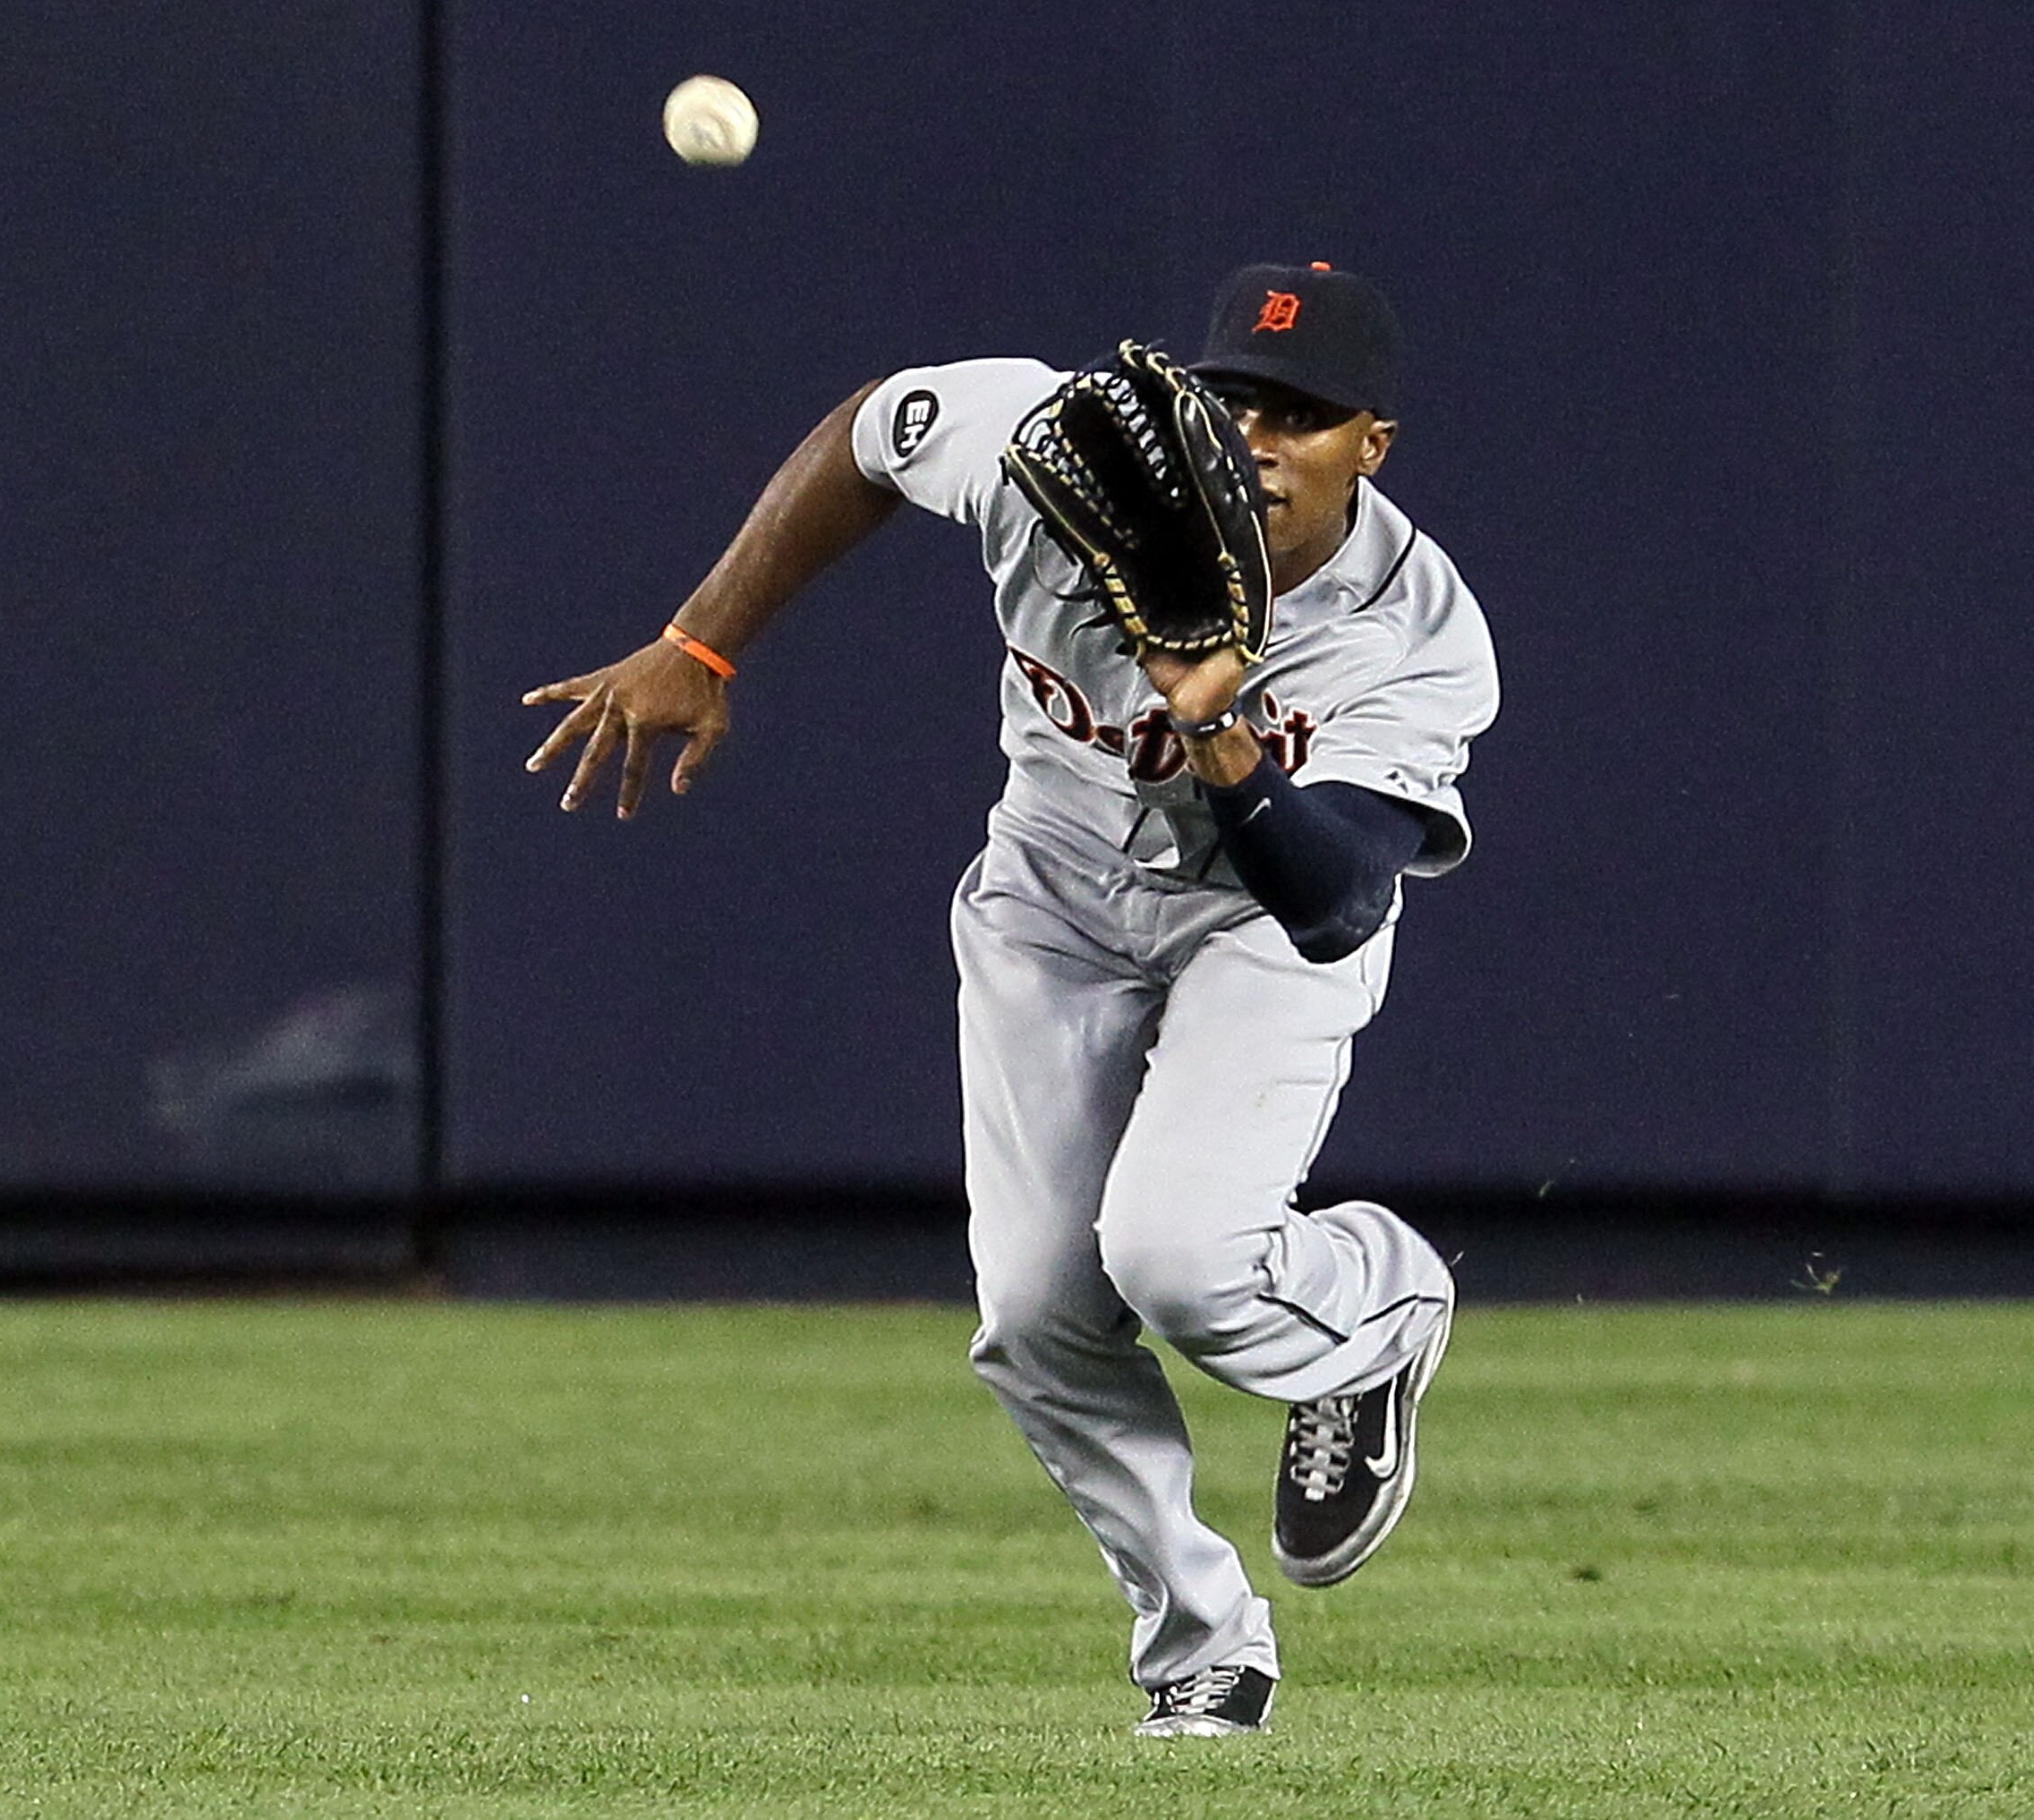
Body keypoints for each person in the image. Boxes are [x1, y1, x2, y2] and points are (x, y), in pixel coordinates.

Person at [524, 262, 1499, 1738]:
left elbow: (1334, 899)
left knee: (1174, 1257)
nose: (1256, 437)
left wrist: (1218, 719)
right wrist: (703, 640)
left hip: (1259, 924)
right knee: (1040, 1310)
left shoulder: (1414, 631)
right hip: (1049, 897)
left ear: (1374, 441)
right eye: (1235, 398)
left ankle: (1374, 1305)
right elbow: (869, 434)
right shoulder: (1062, 453)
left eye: (1302, 416)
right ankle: (1203, 1646)